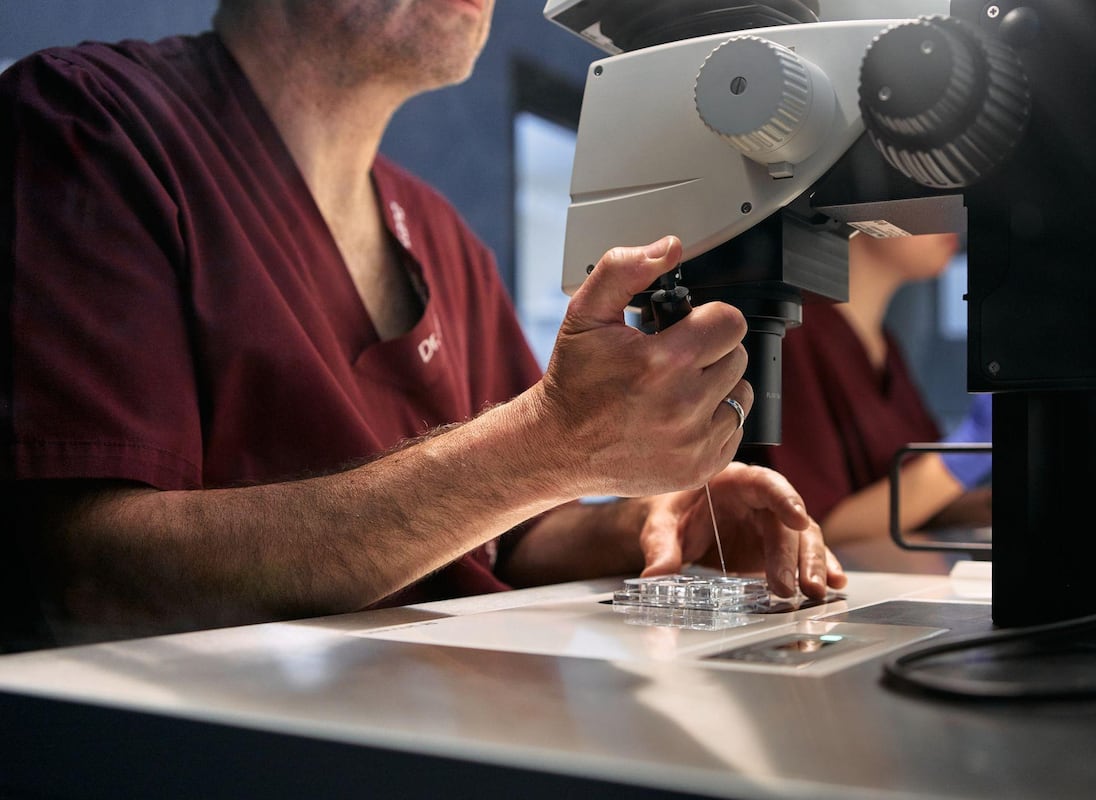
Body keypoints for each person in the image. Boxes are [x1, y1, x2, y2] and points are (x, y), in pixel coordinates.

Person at [0, 1, 845, 650]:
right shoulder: (87, 126)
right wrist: (547, 442)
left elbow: (509, 539)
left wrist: (643, 521)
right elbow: (87, 577)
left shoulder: (441, 237)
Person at [744, 232, 992, 571]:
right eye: (928, 191)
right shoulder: (792, 334)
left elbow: (913, 500)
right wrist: (974, 443)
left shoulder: (886, 345)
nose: (952, 219)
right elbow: (818, 526)